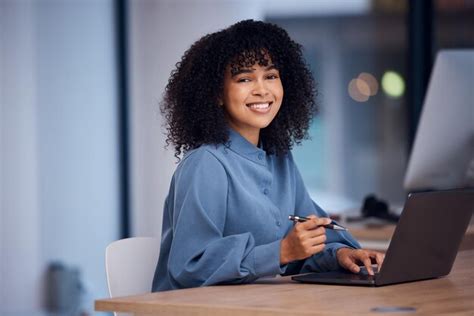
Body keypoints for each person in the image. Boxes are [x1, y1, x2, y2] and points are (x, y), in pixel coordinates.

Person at [152, 20, 384, 292]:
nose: (262, 90)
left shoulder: (280, 158)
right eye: (244, 79)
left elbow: (311, 239)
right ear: (216, 94)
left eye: (271, 76)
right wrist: (281, 252)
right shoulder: (206, 164)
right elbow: (189, 266)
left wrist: (339, 254)